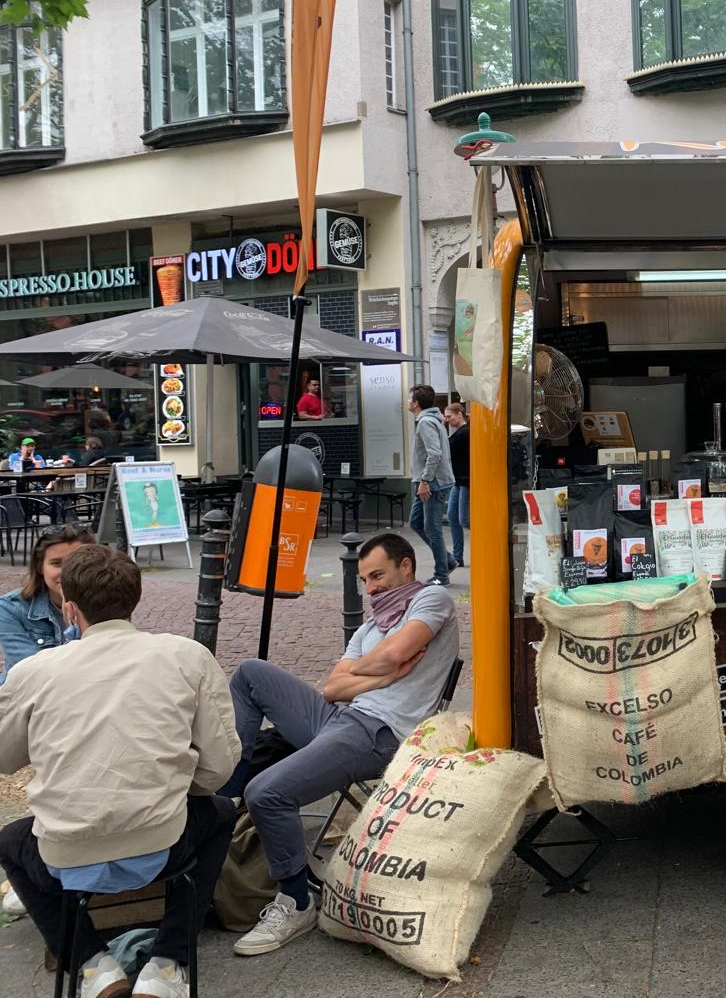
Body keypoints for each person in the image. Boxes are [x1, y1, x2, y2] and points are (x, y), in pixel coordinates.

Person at [0, 545, 240, 998]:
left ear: (70, 609)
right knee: (222, 811)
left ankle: (92, 965)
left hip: (64, 857)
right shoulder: (186, 656)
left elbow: (4, 758)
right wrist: (171, 784)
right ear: (135, 600)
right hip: (162, 846)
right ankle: (169, 963)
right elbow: (218, 768)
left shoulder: (33, 671)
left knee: (10, 844)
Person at [221, 533, 457, 957]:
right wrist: (386, 675)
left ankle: (296, 902)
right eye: (365, 580)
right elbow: (333, 688)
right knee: (250, 673)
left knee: (268, 792)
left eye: (378, 576)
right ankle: (226, 797)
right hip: (340, 719)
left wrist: (373, 669)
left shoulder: (431, 600)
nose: (371, 588)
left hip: (378, 732)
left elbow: (396, 652)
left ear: (406, 566)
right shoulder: (370, 626)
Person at [0, 525, 95, 686]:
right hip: (26, 694)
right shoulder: (10, 607)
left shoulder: (107, 602)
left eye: (77, 564)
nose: (67, 572)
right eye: (57, 563)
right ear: (40, 567)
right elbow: (31, 672)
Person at [408, 385, 455, 585]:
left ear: (416, 403)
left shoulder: (426, 422)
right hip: (431, 481)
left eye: (410, 398)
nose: (408, 401)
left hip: (432, 483)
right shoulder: (432, 420)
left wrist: (425, 480)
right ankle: (447, 560)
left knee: (432, 529)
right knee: (416, 522)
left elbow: (434, 453)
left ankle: (441, 575)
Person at [443, 402, 470, 571]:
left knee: (463, 519)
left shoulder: (465, 433)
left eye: (449, 416)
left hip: (466, 481)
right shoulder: (459, 433)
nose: (447, 420)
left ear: (460, 414)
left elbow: (447, 446)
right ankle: (457, 556)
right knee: (452, 516)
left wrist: (440, 427)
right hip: (458, 481)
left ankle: (485, 540)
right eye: (445, 417)